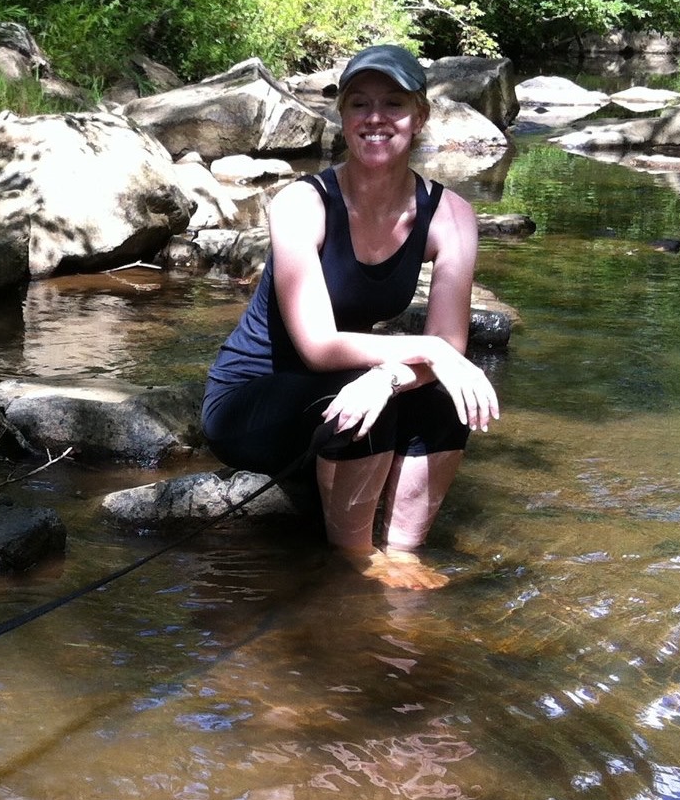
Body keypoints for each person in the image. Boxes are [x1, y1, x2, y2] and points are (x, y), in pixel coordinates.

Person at [201, 43, 500, 590]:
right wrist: (426, 352)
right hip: (253, 396)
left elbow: (448, 346)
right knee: (369, 407)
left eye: (393, 103)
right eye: (359, 104)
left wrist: (394, 373)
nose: (376, 118)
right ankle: (357, 563)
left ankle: (405, 555)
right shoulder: (302, 204)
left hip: (341, 380)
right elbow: (318, 346)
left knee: (441, 401)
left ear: (421, 116)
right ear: (342, 116)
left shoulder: (450, 215)